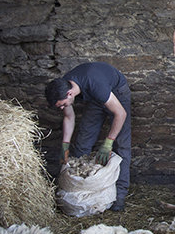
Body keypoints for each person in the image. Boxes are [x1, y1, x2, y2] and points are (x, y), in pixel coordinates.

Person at [45, 62, 131, 212]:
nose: (62, 108)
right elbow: (69, 117)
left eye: (63, 104)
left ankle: (120, 195)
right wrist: (65, 145)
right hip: (95, 99)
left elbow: (121, 113)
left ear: (69, 94)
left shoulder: (95, 84)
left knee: (121, 144)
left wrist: (108, 143)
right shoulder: (64, 87)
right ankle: (79, 191)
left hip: (117, 92)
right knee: (83, 142)